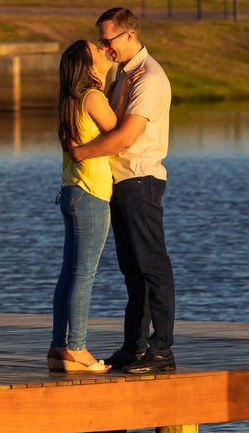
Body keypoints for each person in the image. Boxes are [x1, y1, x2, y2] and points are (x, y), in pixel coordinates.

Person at [71, 7, 176, 374]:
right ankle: (135, 346)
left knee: (152, 267)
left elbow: (128, 135)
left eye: (107, 39)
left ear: (129, 35)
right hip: (119, 182)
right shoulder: (121, 77)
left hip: (140, 180)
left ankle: (161, 350)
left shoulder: (150, 78)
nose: (104, 46)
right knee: (132, 269)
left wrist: (81, 152)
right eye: (101, 40)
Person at [48, 40, 118, 374]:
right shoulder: (92, 98)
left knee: (69, 274)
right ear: (89, 68)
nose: (106, 53)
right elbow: (120, 132)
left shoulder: (70, 101)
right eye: (98, 53)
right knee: (83, 276)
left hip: (72, 192)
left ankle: (58, 347)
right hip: (91, 194)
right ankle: (76, 348)